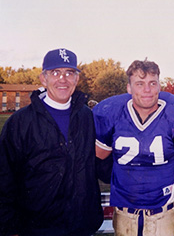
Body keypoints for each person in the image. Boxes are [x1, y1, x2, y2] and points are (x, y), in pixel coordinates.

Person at [93, 59, 174, 236]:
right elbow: (96, 160)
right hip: (124, 214)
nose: (147, 89)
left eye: (152, 83)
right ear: (129, 88)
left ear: (159, 86)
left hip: (165, 214)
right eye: (140, 84)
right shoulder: (111, 113)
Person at [0, 48, 104, 236]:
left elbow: (97, 164)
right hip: (36, 228)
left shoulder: (87, 117)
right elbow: (4, 177)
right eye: (55, 72)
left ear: (77, 79)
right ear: (43, 78)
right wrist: (9, 227)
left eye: (69, 73)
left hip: (81, 226)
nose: (62, 79)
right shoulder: (21, 122)